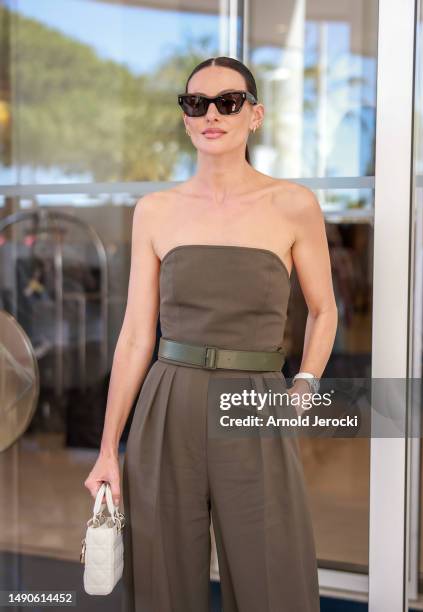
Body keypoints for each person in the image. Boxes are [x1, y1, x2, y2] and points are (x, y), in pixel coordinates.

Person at [84, 55, 337, 612]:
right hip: (168, 400)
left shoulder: (293, 205)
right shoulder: (155, 210)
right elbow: (134, 337)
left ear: (255, 115)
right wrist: (108, 449)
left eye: (229, 102)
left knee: (274, 576)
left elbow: (324, 310)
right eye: (196, 104)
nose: (212, 115)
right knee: (162, 578)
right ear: (185, 118)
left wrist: (305, 386)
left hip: (256, 399)